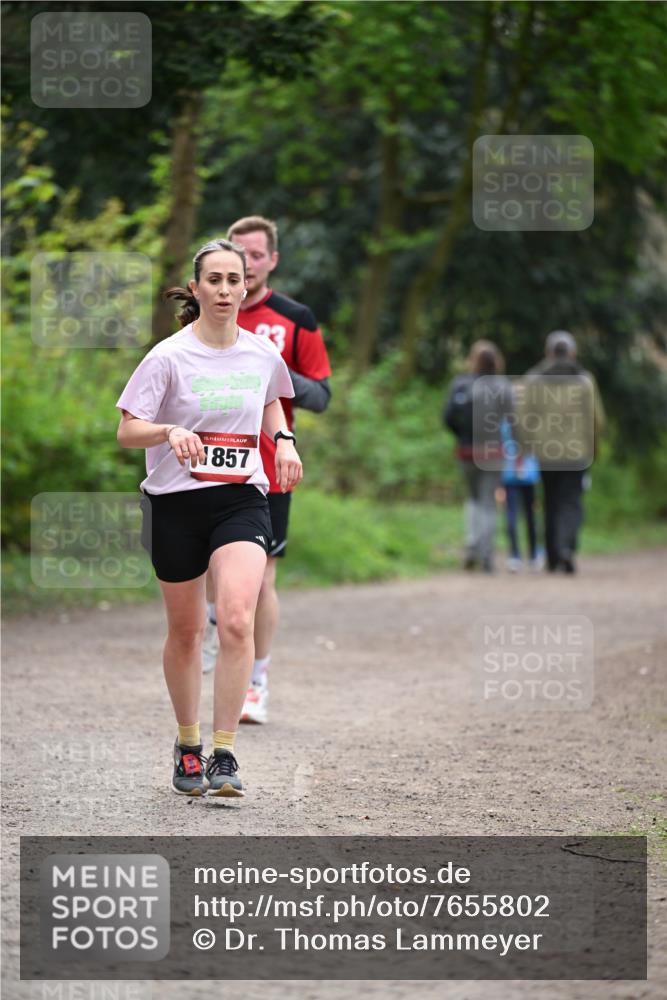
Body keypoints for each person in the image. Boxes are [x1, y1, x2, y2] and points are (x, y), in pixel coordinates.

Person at [116, 238, 302, 797]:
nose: (224, 289)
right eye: (213, 280)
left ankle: (225, 754)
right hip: (174, 502)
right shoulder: (168, 356)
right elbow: (127, 430)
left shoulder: (262, 355)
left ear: (247, 287)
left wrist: (285, 441)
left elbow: (272, 400)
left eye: (233, 280)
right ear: (196, 290)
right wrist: (170, 431)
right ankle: (188, 745)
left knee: (238, 618)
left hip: (241, 497)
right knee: (187, 631)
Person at [201, 216, 331, 728]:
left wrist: (270, 366)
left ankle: (256, 681)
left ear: (271, 260)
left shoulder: (294, 318)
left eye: (255, 256)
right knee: (211, 573)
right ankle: (220, 638)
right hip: (206, 463)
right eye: (237, 255)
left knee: (259, 581)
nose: (246, 265)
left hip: (268, 468)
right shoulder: (205, 313)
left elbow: (320, 395)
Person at [520, 330, 604, 574]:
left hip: (546, 451)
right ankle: (566, 547)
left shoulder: (534, 379)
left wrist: (526, 445)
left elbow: (523, 417)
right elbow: (597, 419)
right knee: (571, 500)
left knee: (550, 501)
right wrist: (594, 447)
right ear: (572, 352)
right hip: (577, 451)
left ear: (548, 353)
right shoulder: (585, 380)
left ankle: (553, 557)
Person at [443, 340, 513, 573]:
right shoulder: (503, 386)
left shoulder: (460, 385)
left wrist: (462, 437)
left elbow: (448, 417)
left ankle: (472, 547)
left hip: (467, 451)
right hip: (493, 452)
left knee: (472, 498)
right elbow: (513, 419)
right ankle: (486, 554)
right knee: (488, 501)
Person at [500, 417, 542, 572]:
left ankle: (515, 555)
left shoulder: (503, 424)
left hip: (510, 474)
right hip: (527, 475)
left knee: (513, 514)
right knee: (530, 515)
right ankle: (532, 554)